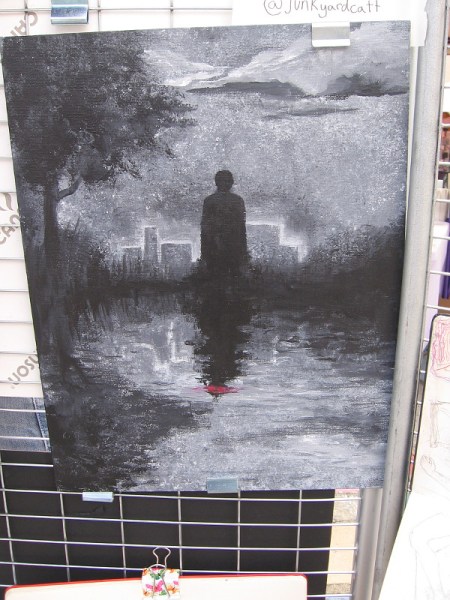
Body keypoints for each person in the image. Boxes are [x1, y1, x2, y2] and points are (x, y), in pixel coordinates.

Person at [200, 170, 248, 277]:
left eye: (227, 181)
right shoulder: (237, 200)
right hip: (222, 244)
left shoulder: (210, 200)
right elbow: (205, 226)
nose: (225, 183)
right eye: (223, 181)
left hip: (224, 244)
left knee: (219, 276)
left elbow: (241, 226)